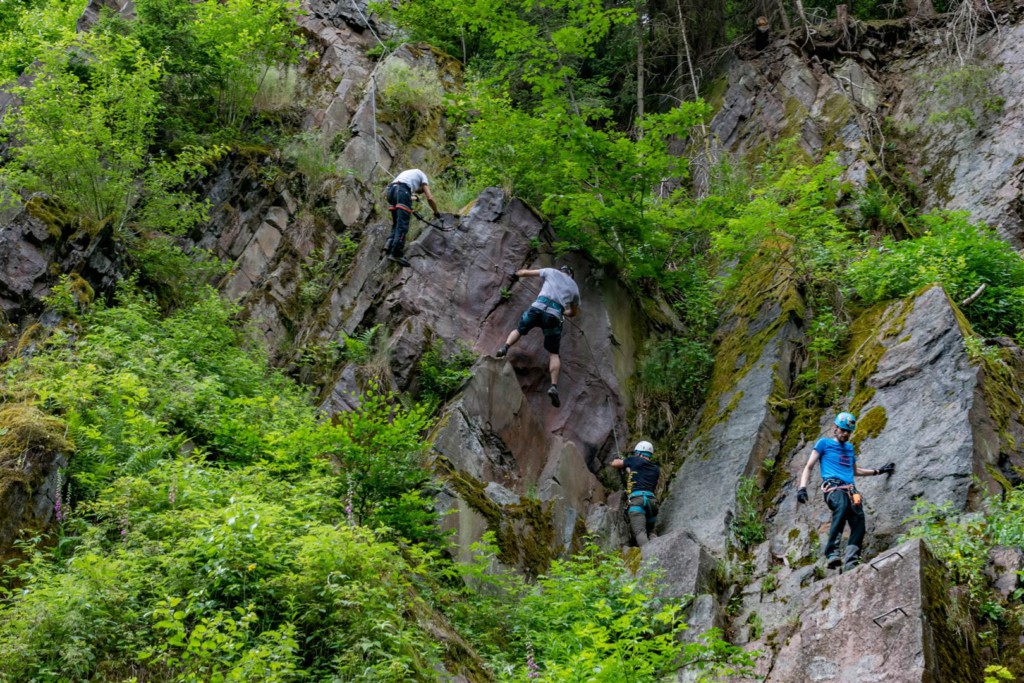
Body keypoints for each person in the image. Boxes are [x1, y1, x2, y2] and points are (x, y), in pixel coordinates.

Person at [797, 412, 895, 571]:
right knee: (841, 506)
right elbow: (809, 466)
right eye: (842, 430)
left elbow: (855, 471)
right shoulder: (824, 444)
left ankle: (851, 564)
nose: (845, 434)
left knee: (859, 524)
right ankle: (832, 552)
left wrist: (879, 471)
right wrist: (802, 488)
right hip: (833, 487)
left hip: (851, 490)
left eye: (848, 431)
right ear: (835, 428)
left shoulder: (849, 449)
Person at [496, 265, 580, 407]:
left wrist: (515, 273)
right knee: (554, 354)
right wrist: (563, 311)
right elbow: (573, 313)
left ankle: (505, 347)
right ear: (571, 275)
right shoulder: (574, 287)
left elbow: (525, 272)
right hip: (553, 316)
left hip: (537, 307)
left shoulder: (551, 271)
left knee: (519, 329)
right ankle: (553, 386)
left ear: (561, 270)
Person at [385, 168, 439, 267]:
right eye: (420, 191)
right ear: (422, 185)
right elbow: (430, 198)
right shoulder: (423, 176)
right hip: (401, 190)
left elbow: (402, 194)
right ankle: (396, 253)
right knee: (402, 224)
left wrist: (414, 198)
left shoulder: (409, 174)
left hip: (390, 191)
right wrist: (436, 212)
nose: (418, 191)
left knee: (396, 223)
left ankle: (389, 245)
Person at [611, 441, 660, 547]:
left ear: (639, 453)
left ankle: (649, 556)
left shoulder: (635, 460)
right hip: (652, 503)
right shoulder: (656, 469)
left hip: (638, 501)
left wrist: (618, 460)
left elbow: (615, 464)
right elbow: (638, 473)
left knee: (640, 533)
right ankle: (660, 549)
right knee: (651, 531)